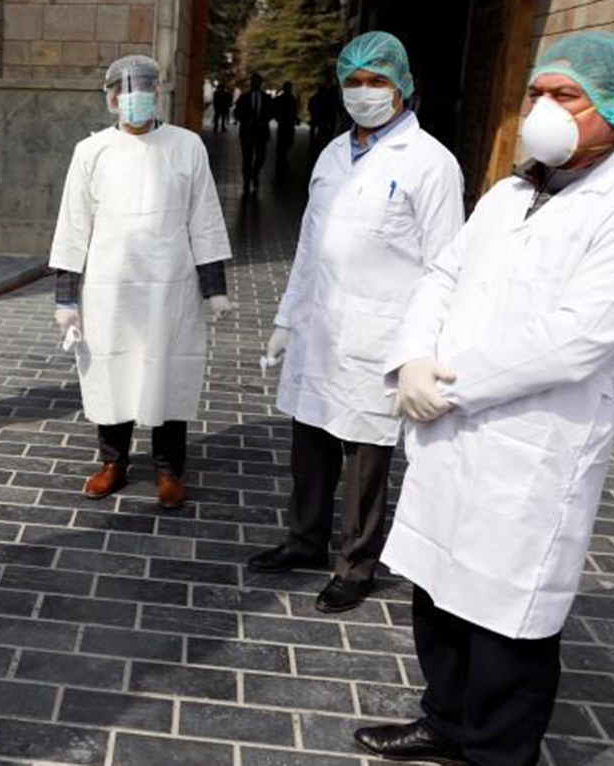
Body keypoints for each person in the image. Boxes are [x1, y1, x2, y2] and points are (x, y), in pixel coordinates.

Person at [352, 31, 614, 766]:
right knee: (438, 591)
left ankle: (500, 753)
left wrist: (449, 386)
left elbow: (576, 339)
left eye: (565, 96)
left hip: (534, 444)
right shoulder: (509, 193)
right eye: (536, 93)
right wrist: (411, 357)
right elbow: (443, 273)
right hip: (449, 431)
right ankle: (444, 722)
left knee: (507, 619)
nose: (543, 108)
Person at [248, 32, 464, 614]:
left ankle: (357, 563)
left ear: (402, 87)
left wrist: (426, 350)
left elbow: (448, 266)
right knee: (309, 441)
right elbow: (308, 246)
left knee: (365, 458)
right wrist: (286, 320)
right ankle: (304, 539)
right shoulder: (331, 154)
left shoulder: (431, 164)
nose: (364, 93)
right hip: (320, 326)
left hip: (382, 335)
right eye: (354, 82)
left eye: (377, 82)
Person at [51, 55, 233, 510]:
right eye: (126, 93)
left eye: (144, 91)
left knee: (167, 371)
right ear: (111, 99)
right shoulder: (90, 152)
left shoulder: (186, 146)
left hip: (170, 285)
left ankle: (170, 470)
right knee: (113, 370)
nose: (135, 100)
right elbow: (73, 225)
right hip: (111, 287)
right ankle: (113, 462)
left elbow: (204, 217)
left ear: (157, 95)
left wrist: (215, 287)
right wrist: (65, 298)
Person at [234, 74, 270, 194]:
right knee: (247, 159)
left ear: (261, 83)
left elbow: (271, 112)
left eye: (258, 81)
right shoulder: (244, 97)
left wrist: (264, 120)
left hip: (261, 133)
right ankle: (246, 181)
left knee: (261, 158)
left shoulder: (266, 97)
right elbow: (236, 113)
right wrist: (246, 119)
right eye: (254, 81)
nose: (256, 84)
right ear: (251, 83)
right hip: (247, 133)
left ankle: (254, 174)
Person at [272, 81, 299, 175]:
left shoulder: (292, 99)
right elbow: (275, 110)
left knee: (288, 141)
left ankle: (283, 157)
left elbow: (294, 110)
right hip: (283, 124)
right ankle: (281, 158)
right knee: (282, 142)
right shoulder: (281, 99)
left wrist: (295, 118)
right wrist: (279, 118)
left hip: (289, 124)